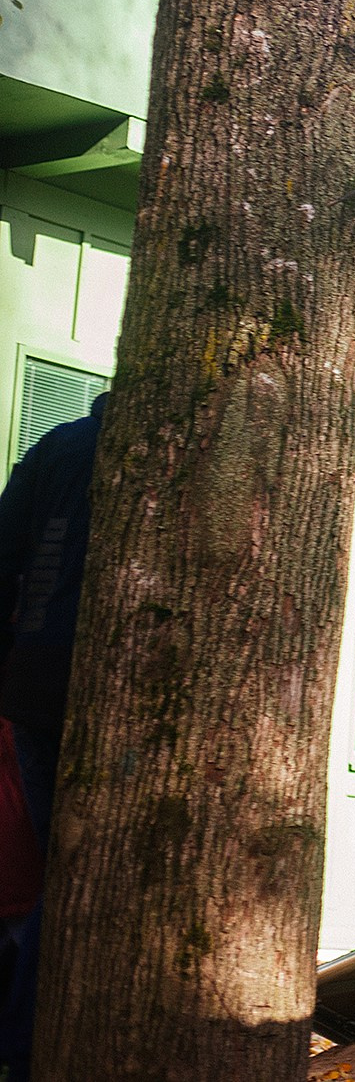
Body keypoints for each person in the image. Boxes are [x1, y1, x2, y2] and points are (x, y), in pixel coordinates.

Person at [0, 392, 103, 1075]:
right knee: (69, 882)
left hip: (34, 684)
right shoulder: (164, 452)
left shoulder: (59, 446)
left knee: (55, 876)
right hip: (84, 685)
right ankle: (22, 1049)